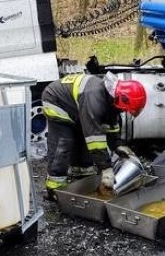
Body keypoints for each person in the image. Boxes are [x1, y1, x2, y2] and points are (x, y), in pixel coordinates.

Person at [41, 72, 146, 200]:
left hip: (76, 105)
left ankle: (80, 171)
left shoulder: (112, 98)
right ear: (122, 98)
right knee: (63, 144)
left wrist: (118, 145)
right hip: (56, 101)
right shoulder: (94, 97)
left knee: (84, 140)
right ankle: (54, 188)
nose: (124, 111)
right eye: (125, 109)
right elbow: (94, 139)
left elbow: (111, 126)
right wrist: (106, 169)